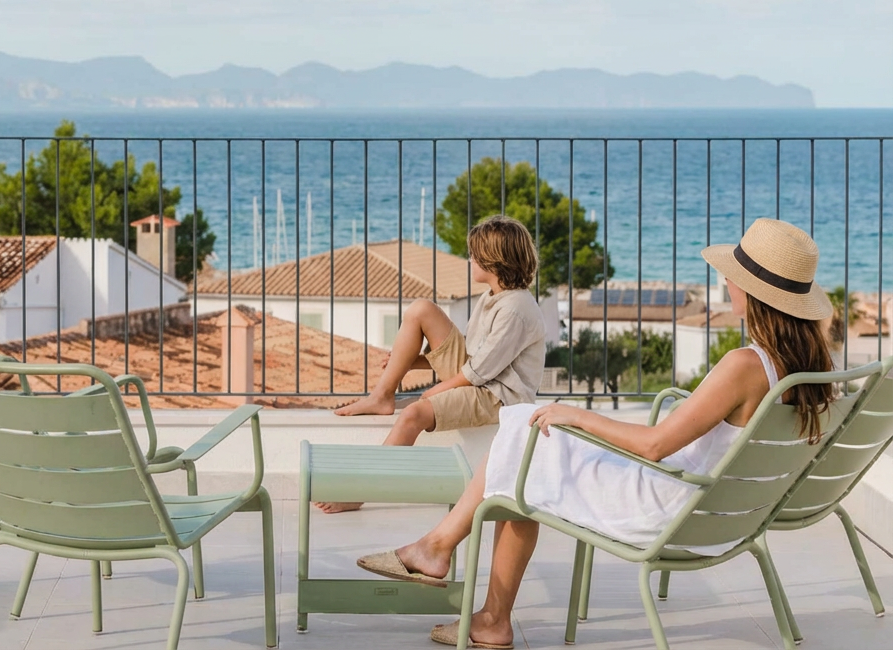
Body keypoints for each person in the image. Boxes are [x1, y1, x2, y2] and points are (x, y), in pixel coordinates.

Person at [356, 217, 835, 647]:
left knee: (527, 440)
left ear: (752, 291)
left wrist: (576, 414)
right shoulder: (805, 368)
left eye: (733, 274)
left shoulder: (743, 365)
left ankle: (446, 560)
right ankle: (470, 591)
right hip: (715, 512)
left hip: (663, 505)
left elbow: (655, 444)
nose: (725, 279)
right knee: (526, 442)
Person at [322, 215, 546, 513]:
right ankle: (381, 396)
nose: (470, 260)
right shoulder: (494, 296)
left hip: (499, 396)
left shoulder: (516, 309)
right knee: (421, 309)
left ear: (494, 261)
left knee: (414, 413)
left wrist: (435, 391)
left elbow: (479, 372)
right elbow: (478, 354)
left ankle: (360, 492)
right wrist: (414, 363)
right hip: (483, 378)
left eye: (475, 255)